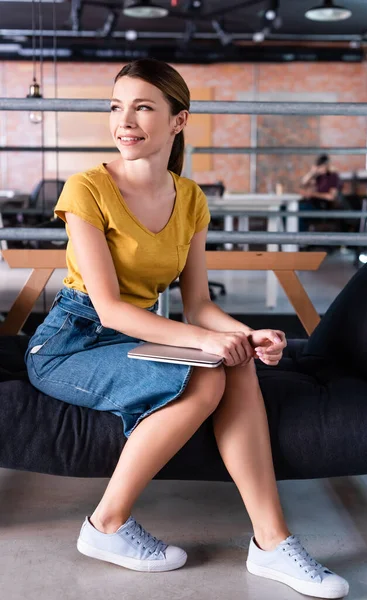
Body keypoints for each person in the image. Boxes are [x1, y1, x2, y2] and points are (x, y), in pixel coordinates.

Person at [24, 59, 348, 599]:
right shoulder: (86, 188)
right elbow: (107, 308)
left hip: (138, 335)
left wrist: (246, 334)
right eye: (116, 106)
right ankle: (106, 525)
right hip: (70, 341)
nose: (125, 121)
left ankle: (272, 543)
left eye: (143, 107)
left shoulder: (190, 198)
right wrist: (205, 341)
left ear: (178, 120)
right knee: (208, 375)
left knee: (236, 361)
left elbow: (198, 305)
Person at [299, 154, 343, 232]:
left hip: (323, 207)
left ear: (326, 166)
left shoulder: (333, 176)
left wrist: (312, 194)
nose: (320, 168)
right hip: (313, 204)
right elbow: (303, 183)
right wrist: (311, 172)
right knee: (291, 209)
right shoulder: (318, 177)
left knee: (298, 210)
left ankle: (301, 240)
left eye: (321, 166)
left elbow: (331, 197)